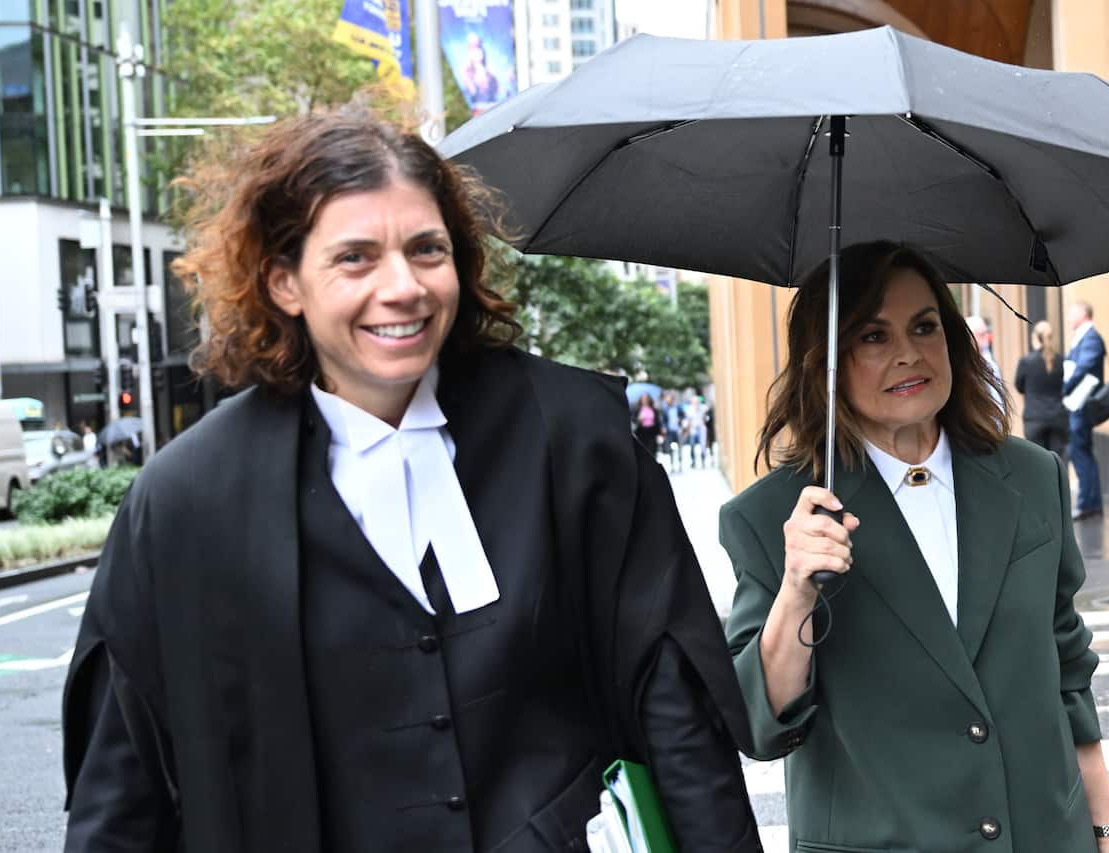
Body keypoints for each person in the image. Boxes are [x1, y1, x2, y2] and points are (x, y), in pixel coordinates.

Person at [61, 108, 761, 853]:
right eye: (356, 258)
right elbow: (121, 796)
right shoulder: (186, 501)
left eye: (427, 250)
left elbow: (677, 712)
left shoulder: (574, 440)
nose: (403, 287)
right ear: (284, 281)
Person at [723, 241, 1109, 853]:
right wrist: (795, 593)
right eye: (872, 336)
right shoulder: (772, 517)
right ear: (823, 363)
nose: (908, 353)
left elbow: (1067, 667)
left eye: (925, 326)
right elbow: (760, 725)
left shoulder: (1031, 478)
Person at [1065, 301, 1106, 521]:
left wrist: (1065, 386)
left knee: (1080, 452)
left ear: (1083, 314)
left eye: (1072, 313)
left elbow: (1083, 367)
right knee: (1081, 452)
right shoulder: (1083, 337)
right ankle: (1091, 503)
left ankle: (1088, 504)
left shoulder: (1090, 337)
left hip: (1081, 403)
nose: (1069, 318)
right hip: (1078, 403)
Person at [1015, 320, 1069, 461]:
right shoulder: (1061, 360)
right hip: (1058, 417)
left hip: (1034, 418)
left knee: (1038, 463)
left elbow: (1019, 385)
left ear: (1035, 338)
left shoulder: (1027, 361)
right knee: (1059, 463)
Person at [965, 313, 1004, 411]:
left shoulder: (989, 362)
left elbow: (997, 401)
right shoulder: (963, 366)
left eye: (986, 333)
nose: (986, 337)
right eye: (982, 334)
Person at [631, 391, 663, 457]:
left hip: (651, 432)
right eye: (643, 399)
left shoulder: (653, 409)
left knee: (652, 450)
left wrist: (660, 432)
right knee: (642, 450)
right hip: (641, 432)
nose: (645, 401)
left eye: (646, 399)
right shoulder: (637, 409)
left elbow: (657, 421)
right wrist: (639, 419)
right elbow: (633, 420)